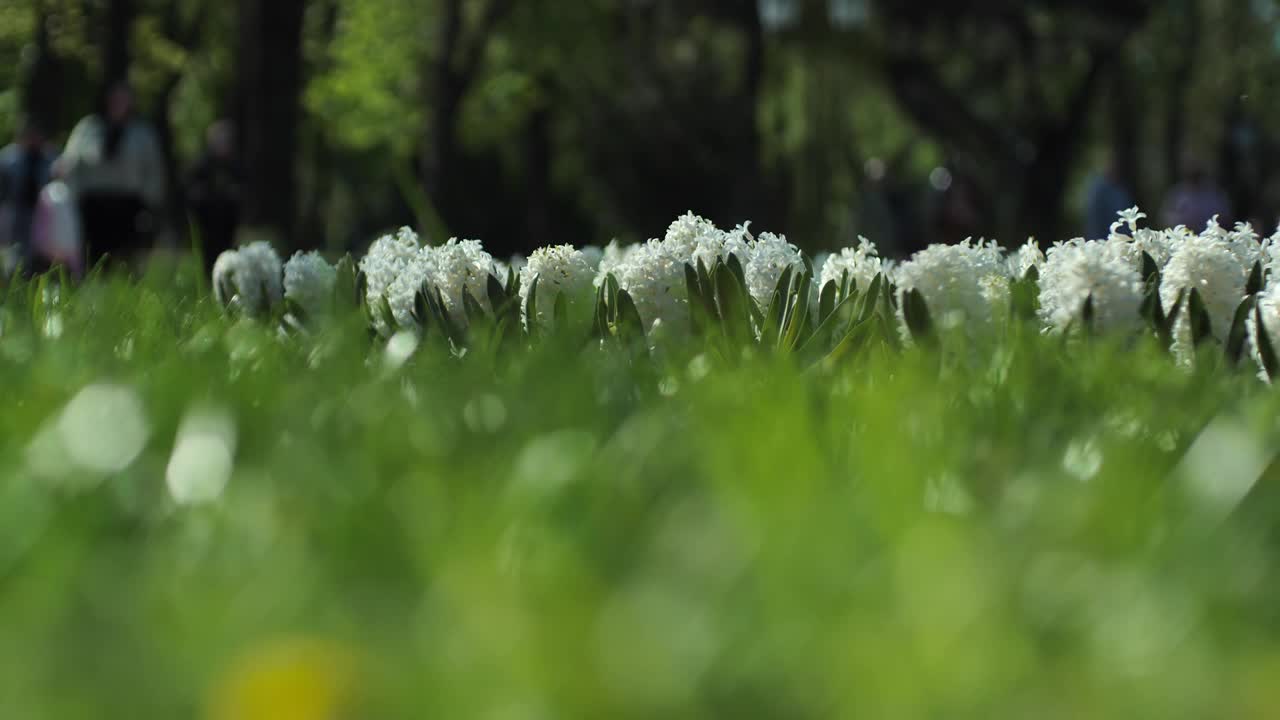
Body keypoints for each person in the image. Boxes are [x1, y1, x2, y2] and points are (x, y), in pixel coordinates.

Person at [59, 82, 165, 267]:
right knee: (94, 256)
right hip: (93, 203)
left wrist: (150, 203)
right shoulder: (88, 128)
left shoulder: (143, 132)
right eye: (115, 98)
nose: (119, 103)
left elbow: (154, 168)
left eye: (124, 99)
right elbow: (70, 161)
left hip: (129, 203)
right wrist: (71, 194)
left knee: (127, 257)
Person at [0, 116, 58, 274]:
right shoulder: (8, 159)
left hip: (44, 213)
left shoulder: (51, 158)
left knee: (40, 251)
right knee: (14, 251)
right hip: (15, 212)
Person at [185, 120, 241, 271]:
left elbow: (242, 191)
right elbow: (191, 191)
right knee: (207, 255)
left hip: (228, 221)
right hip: (207, 221)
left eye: (225, 140)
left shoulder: (235, 166)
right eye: (219, 140)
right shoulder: (202, 165)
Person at [1161, 159, 1231, 231]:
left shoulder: (1214, 192)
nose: (1193, 178)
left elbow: (1225, 215)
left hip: (1212, 236)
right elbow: (1166, 217)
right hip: (1184, 237)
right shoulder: (1177, 194)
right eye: (1190, 174)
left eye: (1196, 174)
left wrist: (1217, 223)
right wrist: (1182, 222)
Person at [1084, 156, 1135, 239]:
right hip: (1103, 238)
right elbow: (1094, 218)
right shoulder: (1099, 189)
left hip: (1123, 237)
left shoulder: (1122, 188)